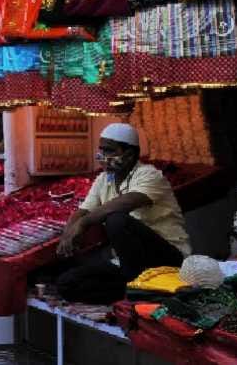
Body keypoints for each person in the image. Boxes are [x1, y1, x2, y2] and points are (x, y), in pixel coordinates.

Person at [56, 123, 191, 304]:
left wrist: (84, 223)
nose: (102, 156)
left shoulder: (149, 175)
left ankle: (137, 290)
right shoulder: (104, 180)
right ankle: (136, 291)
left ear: (128, 155)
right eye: (101, 150)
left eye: (109, 151)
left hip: (167, 259)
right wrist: (69, 231)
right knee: (67, 284)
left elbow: (127, 202)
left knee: (116, 220)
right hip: (131, 266)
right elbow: (82, 211)